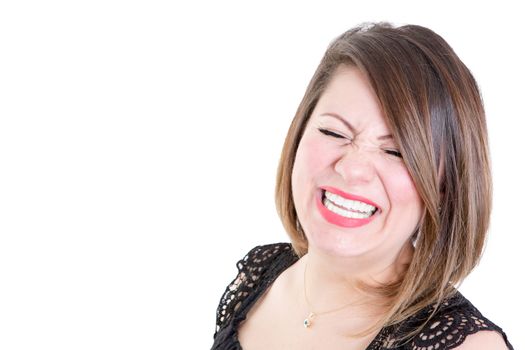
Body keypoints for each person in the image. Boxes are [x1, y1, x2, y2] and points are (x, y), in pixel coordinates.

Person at [210, 22, 514, 350]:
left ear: (444, 187)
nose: (352, 168)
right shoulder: (256, 278)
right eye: (333, 133)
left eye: (395, 151)